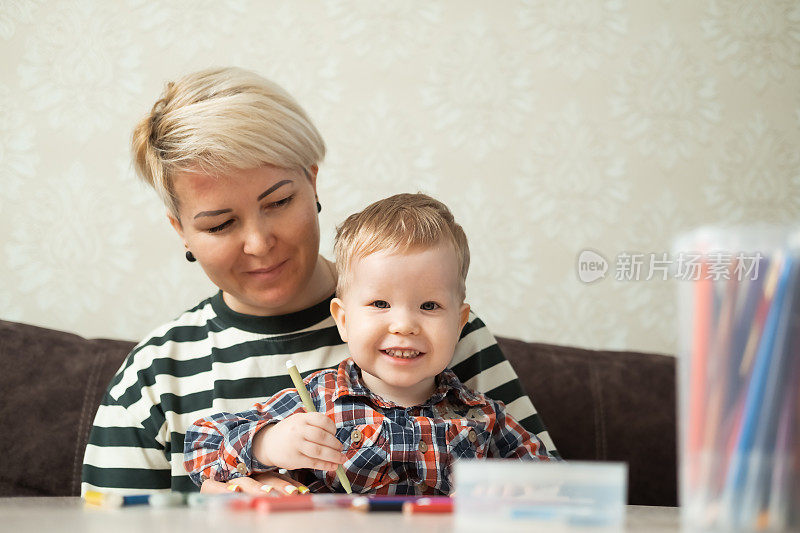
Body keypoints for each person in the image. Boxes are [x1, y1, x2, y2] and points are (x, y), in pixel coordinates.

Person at [81, 67, 557, 496]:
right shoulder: (150, 382)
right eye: (220, 224)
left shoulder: (442, 330)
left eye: (279, 202)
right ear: (180, 230)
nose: (259, 243)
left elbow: (550, 494)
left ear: (312, 182)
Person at [184, 194, 552, 495]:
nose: (404, 325)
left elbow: (556, 487)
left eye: (429, 306)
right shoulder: (316, 403)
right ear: (343, 319)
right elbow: (200, 444)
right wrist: (267, 443)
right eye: (380, 304)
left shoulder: (484, 418)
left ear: (459, 323)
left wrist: (517, 491)